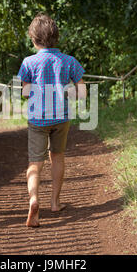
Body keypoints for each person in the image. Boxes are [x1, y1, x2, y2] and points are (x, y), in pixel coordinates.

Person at [17, 13, 86, 227]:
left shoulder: (29, 62)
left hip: (38, 119)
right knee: (57, 157)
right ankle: (55, 202)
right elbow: (81, 91)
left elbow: (26, 92)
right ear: (56, 37)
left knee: (35, 163)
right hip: (61, 117)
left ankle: (34, 199)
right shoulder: (69, 61)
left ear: (33, 38)